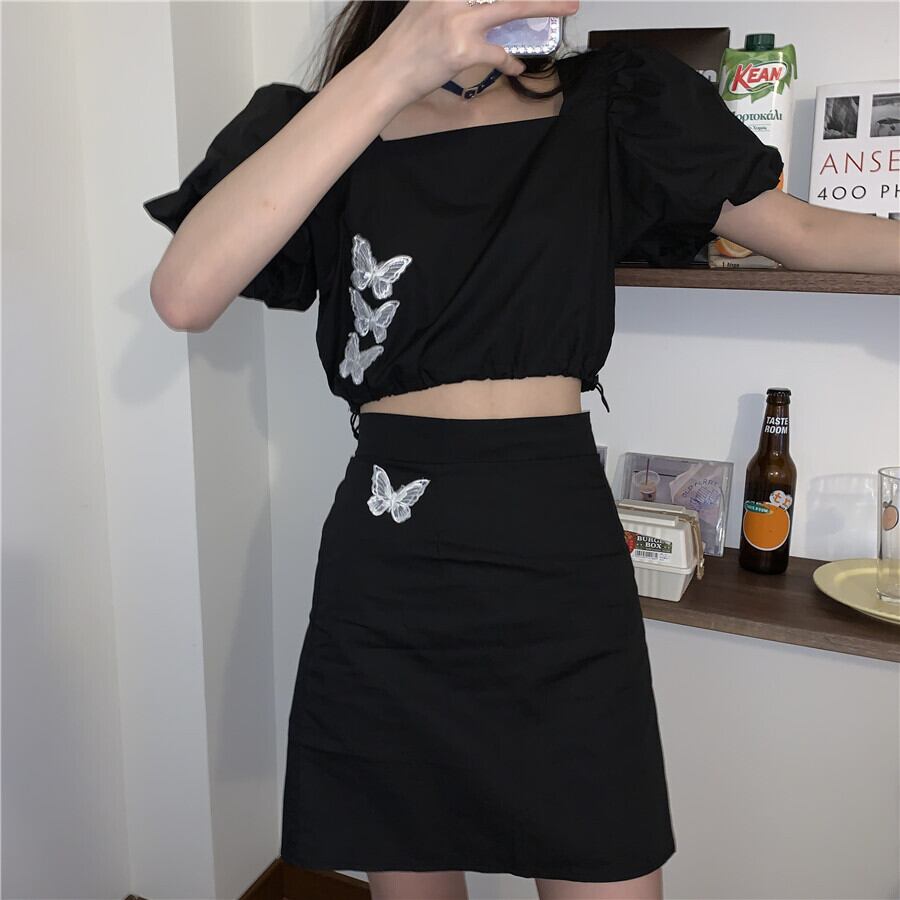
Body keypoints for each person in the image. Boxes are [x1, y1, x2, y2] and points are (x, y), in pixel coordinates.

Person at [142, 2, 900, 898]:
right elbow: (185, 293)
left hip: (557, 553)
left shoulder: (614, 102)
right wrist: (390, 68)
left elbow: (806, 232)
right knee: (408, 853)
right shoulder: (326, 123)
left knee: (605, 848)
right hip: (393, 559)